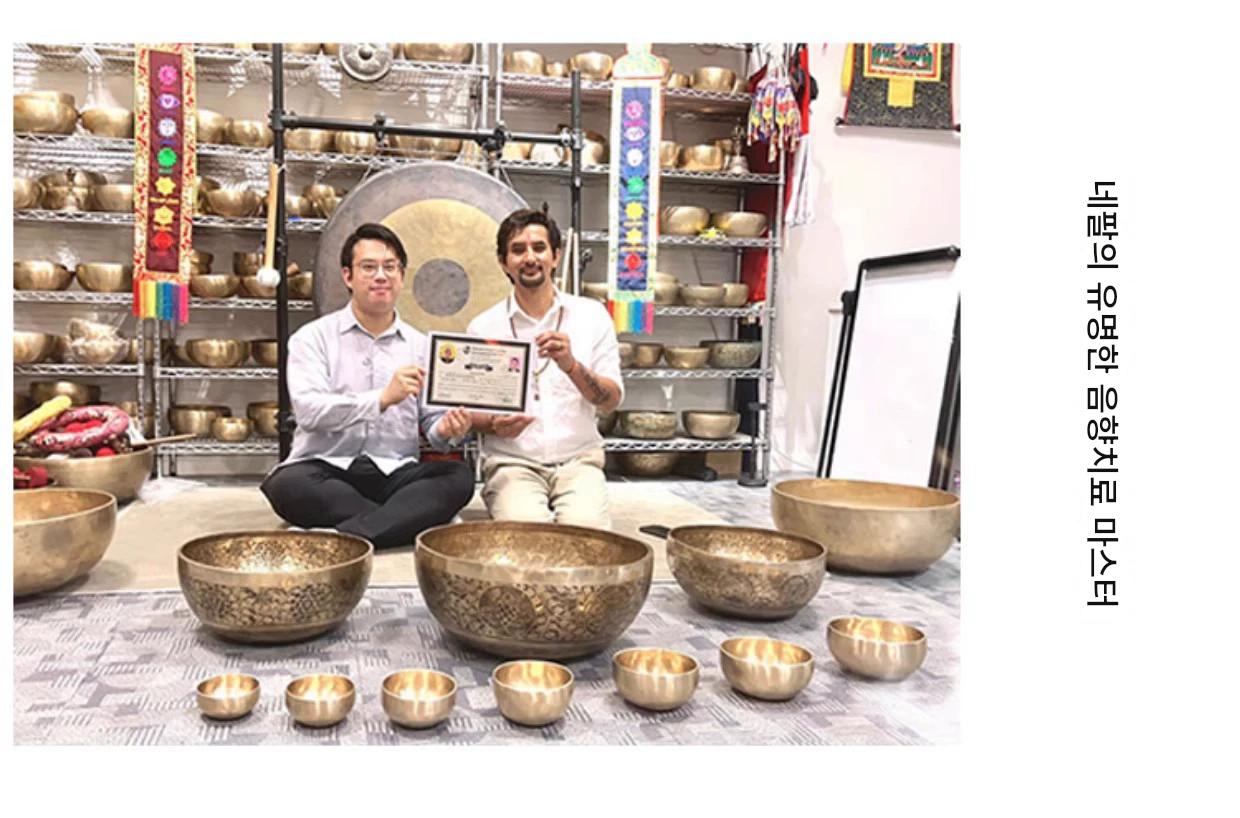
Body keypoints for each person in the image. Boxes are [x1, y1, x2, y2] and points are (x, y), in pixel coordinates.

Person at [260, 223, 475, 549]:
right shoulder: (313, 338)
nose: (381, 276)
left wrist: (446, 429)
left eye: (390, 267)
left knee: (458, 478)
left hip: (395, 473)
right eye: (369, 267)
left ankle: (349, 537)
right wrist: (382, 399)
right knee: (287, 485)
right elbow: (309, 413)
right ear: (348, 276)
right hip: (326, 468)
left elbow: (432, 425)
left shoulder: (421, 345)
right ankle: (402, 521)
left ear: (402, 276)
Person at [466, 208, 624, 528]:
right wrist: (494, 424)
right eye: (518, 250)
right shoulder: (483, 327)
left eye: (539, 248)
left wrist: (572, 366)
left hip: (579, 461)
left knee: (586, 536)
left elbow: (610, 400)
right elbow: (469, 414)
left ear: (555, 256)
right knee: (528, 536)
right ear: (503, 262)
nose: (530, 258)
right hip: (512, 463)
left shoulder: (592, 316)